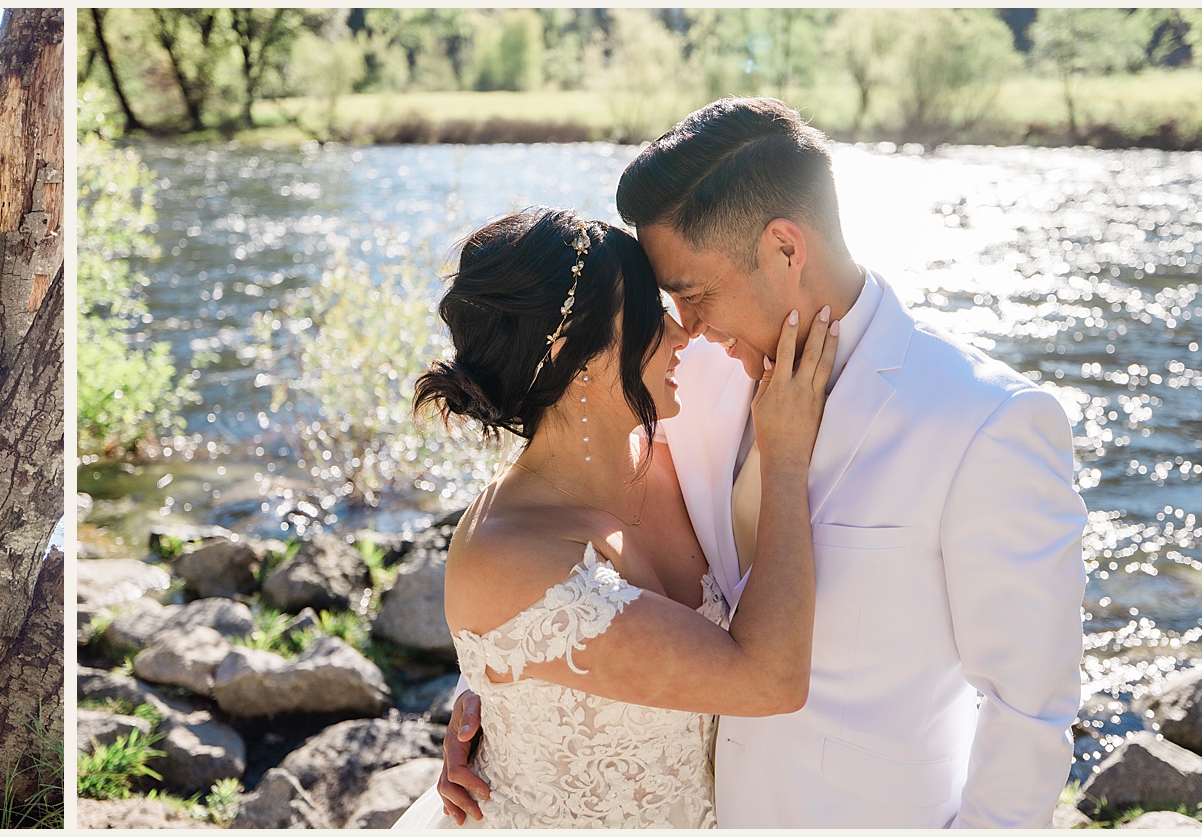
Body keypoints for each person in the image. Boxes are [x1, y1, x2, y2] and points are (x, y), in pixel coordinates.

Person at [427, 97, 1086, 829]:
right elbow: (560, 591)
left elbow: (1030, 709)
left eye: (693, 293)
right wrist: (509, 715)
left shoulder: (985, 421)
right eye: (667, 303)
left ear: (784, 248)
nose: (686, 326)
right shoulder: (680, 387)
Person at [390, 206, 836, 828]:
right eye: (654, 318)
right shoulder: (507, 552)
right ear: (578, 356)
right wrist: (785, 462)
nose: (684, 335)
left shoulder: (667, 456)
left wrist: (488, 695)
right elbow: (770, 682)